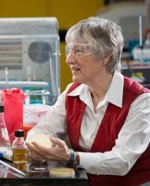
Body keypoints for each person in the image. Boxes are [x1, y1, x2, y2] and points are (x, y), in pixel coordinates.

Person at [26, 17, 150, 186]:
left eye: (79, 51)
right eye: (69, 50)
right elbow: (42, 130)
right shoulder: (73, 92)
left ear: (105, 56)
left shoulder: (141, 101)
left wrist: (71, 157)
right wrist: (38, 147)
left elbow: (121, 162)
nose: (69, 59)